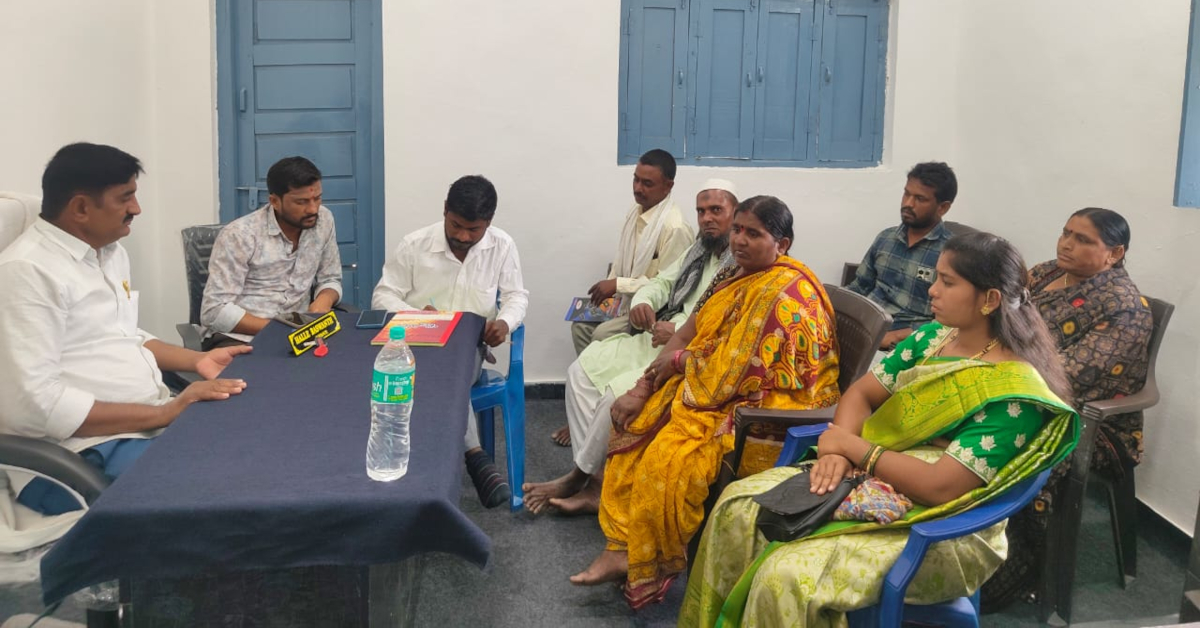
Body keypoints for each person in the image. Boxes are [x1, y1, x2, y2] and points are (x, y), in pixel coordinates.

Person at [680, 232, 1081, 628]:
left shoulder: (1014, 393)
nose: (932, 291)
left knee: (786, 576)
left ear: (989, 300)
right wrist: (835, 453)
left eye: (948, 282)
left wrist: (853, 449)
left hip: (943, 525)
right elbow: (861, 394)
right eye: (936, 277)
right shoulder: (932, 338)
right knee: (736, 507)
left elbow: (941, 486)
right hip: (873, 473)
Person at [569, 196, 841, 611]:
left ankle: (648, 559)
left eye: (754, 234)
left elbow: (743, 370)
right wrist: (645, 385)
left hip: (771, 405)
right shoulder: (733, 274)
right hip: (718, 383)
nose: (740, 240)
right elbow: (689, 332)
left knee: (669, 456)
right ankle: (623, 546)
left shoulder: (785, 294)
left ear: (782, 244)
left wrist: (680, 363)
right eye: (738, 230)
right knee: (637, 418)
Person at [0, 143, 250, 516]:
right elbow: (35, 407)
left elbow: (125, 335)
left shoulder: (109, 253)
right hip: (81, 453)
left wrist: (198, 359)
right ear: (81, 208)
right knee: (225, 491)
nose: (137, 209)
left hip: (144, 423)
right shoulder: (28, 272)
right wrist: (166, 413)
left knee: (253, 445)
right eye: (125, 198)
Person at [523, 179, 738, 515]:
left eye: (716, 210)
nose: (707, 218)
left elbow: (722, 325)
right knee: (580, 373)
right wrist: (644, 302)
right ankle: (598, 479)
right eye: (701, 211)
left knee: (614, 394)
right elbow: (662, 282)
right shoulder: (699, 249)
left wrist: (677, 329)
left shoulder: (739, 263)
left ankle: (581, 479)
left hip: (686, 352)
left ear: (735, 213)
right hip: (659, 338)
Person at [982, 208, 1152, 609]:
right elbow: (1000, 315)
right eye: (1066, 233)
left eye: (1083, 239)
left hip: (1087, 421)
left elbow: (1069, 377)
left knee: (1010, 443)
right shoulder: (1046, 273)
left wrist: (994, 369)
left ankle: (1004, 572)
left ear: (1114, 253)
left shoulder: (1124, 307)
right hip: (1017, 384)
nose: (1067, 244)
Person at [371, 175, 528, 508]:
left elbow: (516, 296)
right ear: (445, 210)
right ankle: (476, 456)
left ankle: (459, 464)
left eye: (474, 230)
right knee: (432, 372)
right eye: (456, 225)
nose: (463, 236)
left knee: (447, 374)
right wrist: (416, 314)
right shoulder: (414, 244)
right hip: (417, 344)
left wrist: (504, 322)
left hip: (469, 348)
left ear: (489, 222)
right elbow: (382, 296)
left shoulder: (501, 246)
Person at [555, 149, 695, 446]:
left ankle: (600, 415)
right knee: (580, 325)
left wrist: (617, 283)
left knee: (601, 334)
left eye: (647, 183)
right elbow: (622, 263)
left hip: (653, 314)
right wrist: (612, 288)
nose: (638, 188)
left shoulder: (675, 227)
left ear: (668, 186)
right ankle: (587, 407)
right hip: (626, 301)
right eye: (636, 180)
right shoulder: (636, 213)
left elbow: (669, 286)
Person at [200, 156, 342, 349]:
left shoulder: (324, 220)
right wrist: (279, 330)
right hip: (242, 338)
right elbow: (214, 311)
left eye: (317, 198)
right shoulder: (240, 235)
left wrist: (324, 300)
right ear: (274, 201)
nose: (312, 209)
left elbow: (331, 278)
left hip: (302, 335)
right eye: (301, 202)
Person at [848, 162, 959, 351]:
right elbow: (860, 287)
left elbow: (952, 322)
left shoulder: (952, 254)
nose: (908, 204)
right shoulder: (886, 238)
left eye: (920, 199)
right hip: (864, 329)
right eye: (906, 194)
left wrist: (899, 336)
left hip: (907, 347)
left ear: (943, 207)